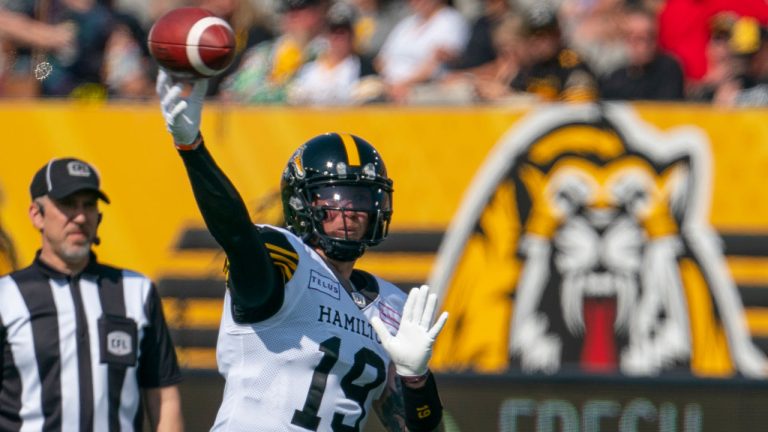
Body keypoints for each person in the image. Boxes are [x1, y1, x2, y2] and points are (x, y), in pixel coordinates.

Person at [156, 69, 448, 431]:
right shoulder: (289, 261)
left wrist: (416, 379)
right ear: (301, 204)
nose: (349, 211)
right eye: (333, 197)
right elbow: (236, 235)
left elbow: (418, 429)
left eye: (360, 199)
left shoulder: (392, 306)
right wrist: (193, 150)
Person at [0, 158, 183, 431]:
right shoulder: (7, 296)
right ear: (36, 214)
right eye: (68, 204)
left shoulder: (136, 291)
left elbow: (164, 397)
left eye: (89, 205)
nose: (80, 217)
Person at [599, 5, 685, 100]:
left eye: (644, 37)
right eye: (630, 36)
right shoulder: (614, 74)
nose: (637, 44)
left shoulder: (668, 69)